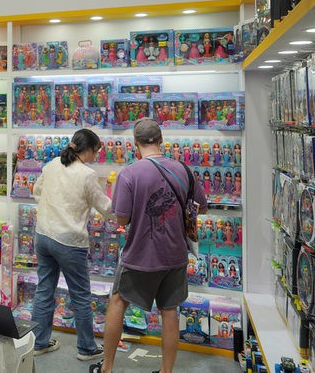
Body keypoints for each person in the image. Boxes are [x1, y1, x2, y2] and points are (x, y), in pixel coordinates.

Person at [98, 118, 207, 373]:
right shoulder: (184, 170)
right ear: (161, 140)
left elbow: (122, 218)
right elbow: (201, 207)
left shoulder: (129, 173)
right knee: (169, 311)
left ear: (135, 143)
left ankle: (107, 367)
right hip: (175, 254)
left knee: (118, 302)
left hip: (140, 255)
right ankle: (166, 370)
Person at [30, 128, 112, 361]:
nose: (96, 156)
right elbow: (106, 207)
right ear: (89, 150)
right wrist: (126, 214)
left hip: (43, 234)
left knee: (44, 289)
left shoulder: (52, 164)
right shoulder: (87, 174)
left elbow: (37, 191)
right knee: (80, 295)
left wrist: (53, 208)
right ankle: (86, 348)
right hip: (69, 241)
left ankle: (38, 342)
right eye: (96, 151)